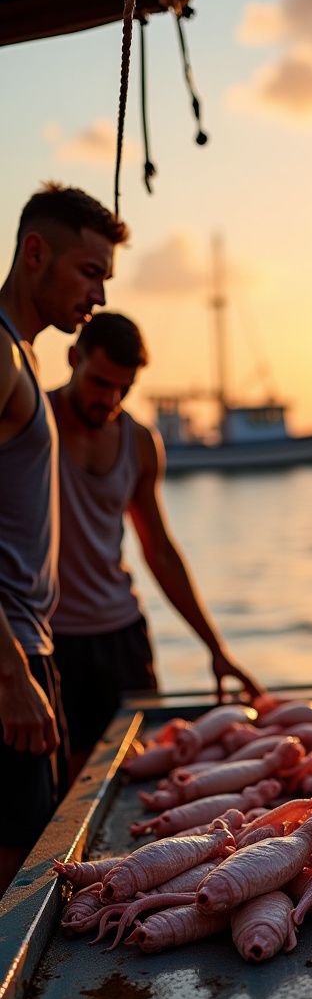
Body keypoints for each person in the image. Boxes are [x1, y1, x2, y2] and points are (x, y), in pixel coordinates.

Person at [48, 311, 263, 781]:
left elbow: (159, 551)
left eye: (123, 389)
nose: (109, 400)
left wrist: (215, 648)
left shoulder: (140, 442)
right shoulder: (29, 425)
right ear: (73, 359)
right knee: (61, 785)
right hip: (49, 640)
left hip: (121, 636)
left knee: (136, 775)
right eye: (100, 383)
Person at [0, 182, 128, 893]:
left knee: (34, 870)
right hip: (11, 659)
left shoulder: (25, 355)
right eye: (89, 273)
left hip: (30, 648)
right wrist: (12, 675)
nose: (98, 297)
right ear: (34, 253)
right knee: (16, 886)